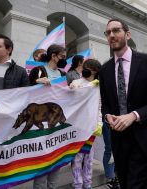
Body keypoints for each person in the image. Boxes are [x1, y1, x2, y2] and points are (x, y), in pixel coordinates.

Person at [99, 18, 147, 189]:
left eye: (116, 30)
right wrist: (108, 116)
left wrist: (134, 116)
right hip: (119, 142)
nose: (112, 35)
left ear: (127, 34)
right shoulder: (105, 69)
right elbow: (106, 105)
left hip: (142, 139)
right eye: (108, 32)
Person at [28, 44, 67, 189]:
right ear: (54, 56)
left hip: (56, 123)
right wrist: (36, 82)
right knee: (41, 162)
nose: (64, 60)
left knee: (56, 160)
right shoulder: (38, 71)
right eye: (62, 57)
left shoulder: (63, 74)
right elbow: (24, 91)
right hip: (42, 122)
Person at [69, 59, 102, 189]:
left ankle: (88, 183)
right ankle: (77, 184)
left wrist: (99, 123)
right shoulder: (76, 82)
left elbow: (100, 106)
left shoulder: (99, 86)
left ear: (95, 71)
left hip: (91, 128)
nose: (85, 69)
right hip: (77, 127)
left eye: (89, 68)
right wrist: (71, 88)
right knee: (76, 158)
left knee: (88, 158)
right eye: (84, 67)